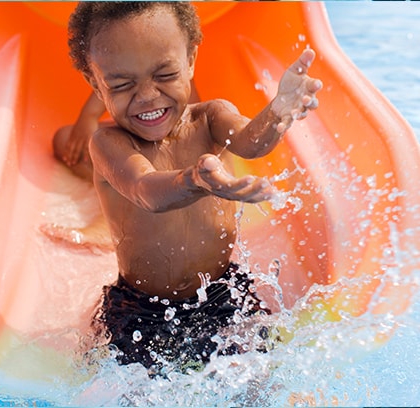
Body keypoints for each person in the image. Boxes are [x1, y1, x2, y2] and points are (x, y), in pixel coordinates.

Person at [66, 1, 322, 374]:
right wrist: (196, 180)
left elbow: (251, 141)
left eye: (165, 74)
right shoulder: (109, 145)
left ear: (190, 58)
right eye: (121, 85)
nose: (147, 96)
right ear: (95, 83)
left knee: (268, 377)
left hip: (222, 292)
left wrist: (278, 111)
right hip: (140, 308)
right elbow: (145, 189)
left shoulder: (211, 118)